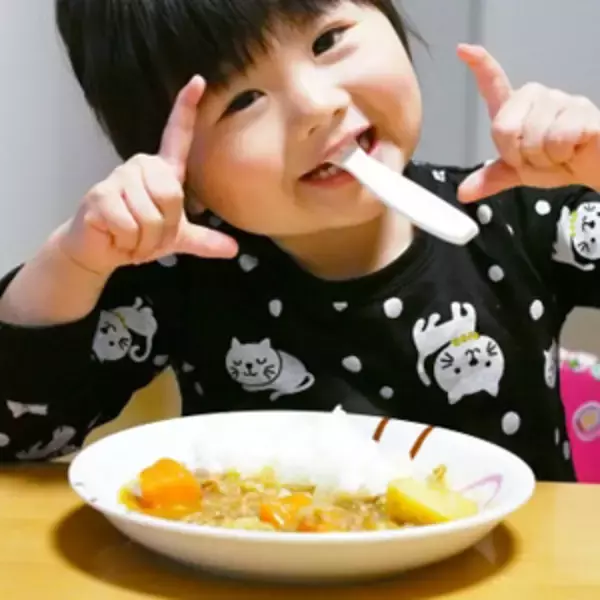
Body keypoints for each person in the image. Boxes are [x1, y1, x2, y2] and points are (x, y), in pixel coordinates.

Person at [1, 0, 599, 480]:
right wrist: (74, 261)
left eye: (327, 40)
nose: (317, 106)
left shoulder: (520, 217)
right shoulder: (179, 277)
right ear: (181, 173)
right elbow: (20, 435)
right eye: (242, 100)